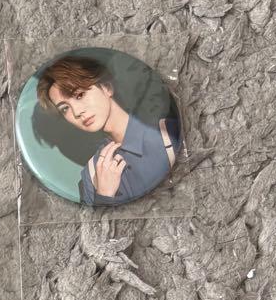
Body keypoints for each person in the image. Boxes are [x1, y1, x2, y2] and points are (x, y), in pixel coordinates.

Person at [36, 54, 181, 206]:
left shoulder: (168, 134)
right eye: (65, 108)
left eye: (80, 95)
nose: (77, 112)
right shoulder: (91, 175)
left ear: (106, 88)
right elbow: (99, 221)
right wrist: (104, 195)